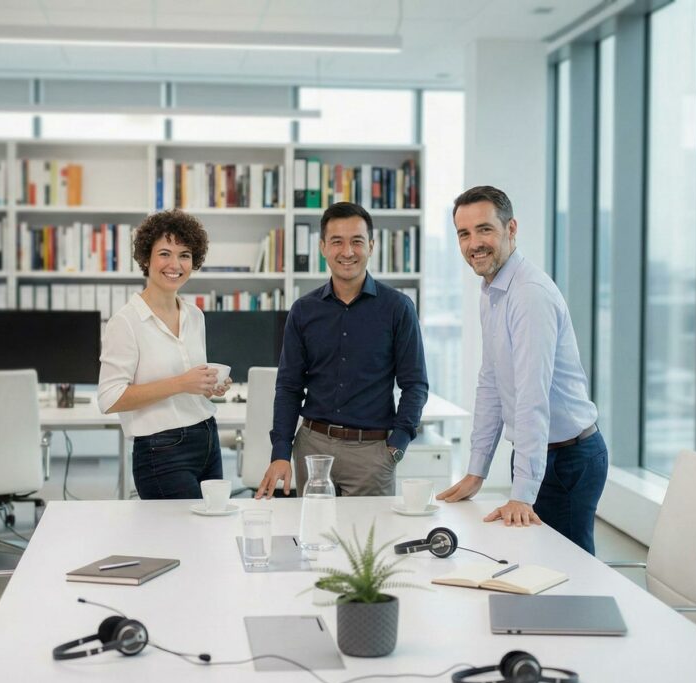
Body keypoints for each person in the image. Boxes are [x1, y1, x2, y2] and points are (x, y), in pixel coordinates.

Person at [437, 185, 607, 554]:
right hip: (540, 451)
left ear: (511, 229)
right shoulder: (492, 290)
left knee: (568, 571)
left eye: (485, 229)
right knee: (533, 563)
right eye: (464, 234)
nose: (473, 244)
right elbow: (491, 384)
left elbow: (532, 396)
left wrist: (522, 494)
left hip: (569, 458)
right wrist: (476, 470)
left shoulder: (529, 294)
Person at [255, 202, 428, 498]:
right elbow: (289, 386)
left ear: (371, 246)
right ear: (323, 247)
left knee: (369, 530)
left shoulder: (398, 308)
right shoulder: (303, 310)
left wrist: (397, 445)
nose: (347, 251)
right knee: (313, 528)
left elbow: (415, 385)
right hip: (312, 448)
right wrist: (280, 452)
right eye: (337, 241)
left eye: (357, 241)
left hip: (371, 453)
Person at [97, 210, 231, 500]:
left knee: (211, 526)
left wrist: (209, 386)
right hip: (162, 450)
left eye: (185, 255)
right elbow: (109, 398)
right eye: (165, 254)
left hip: (208, 438)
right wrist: (181, 383)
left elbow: (190, 383)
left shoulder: (194, 315)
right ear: (146, 258)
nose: (175, 265)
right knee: (180, 530)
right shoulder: (126, 322)